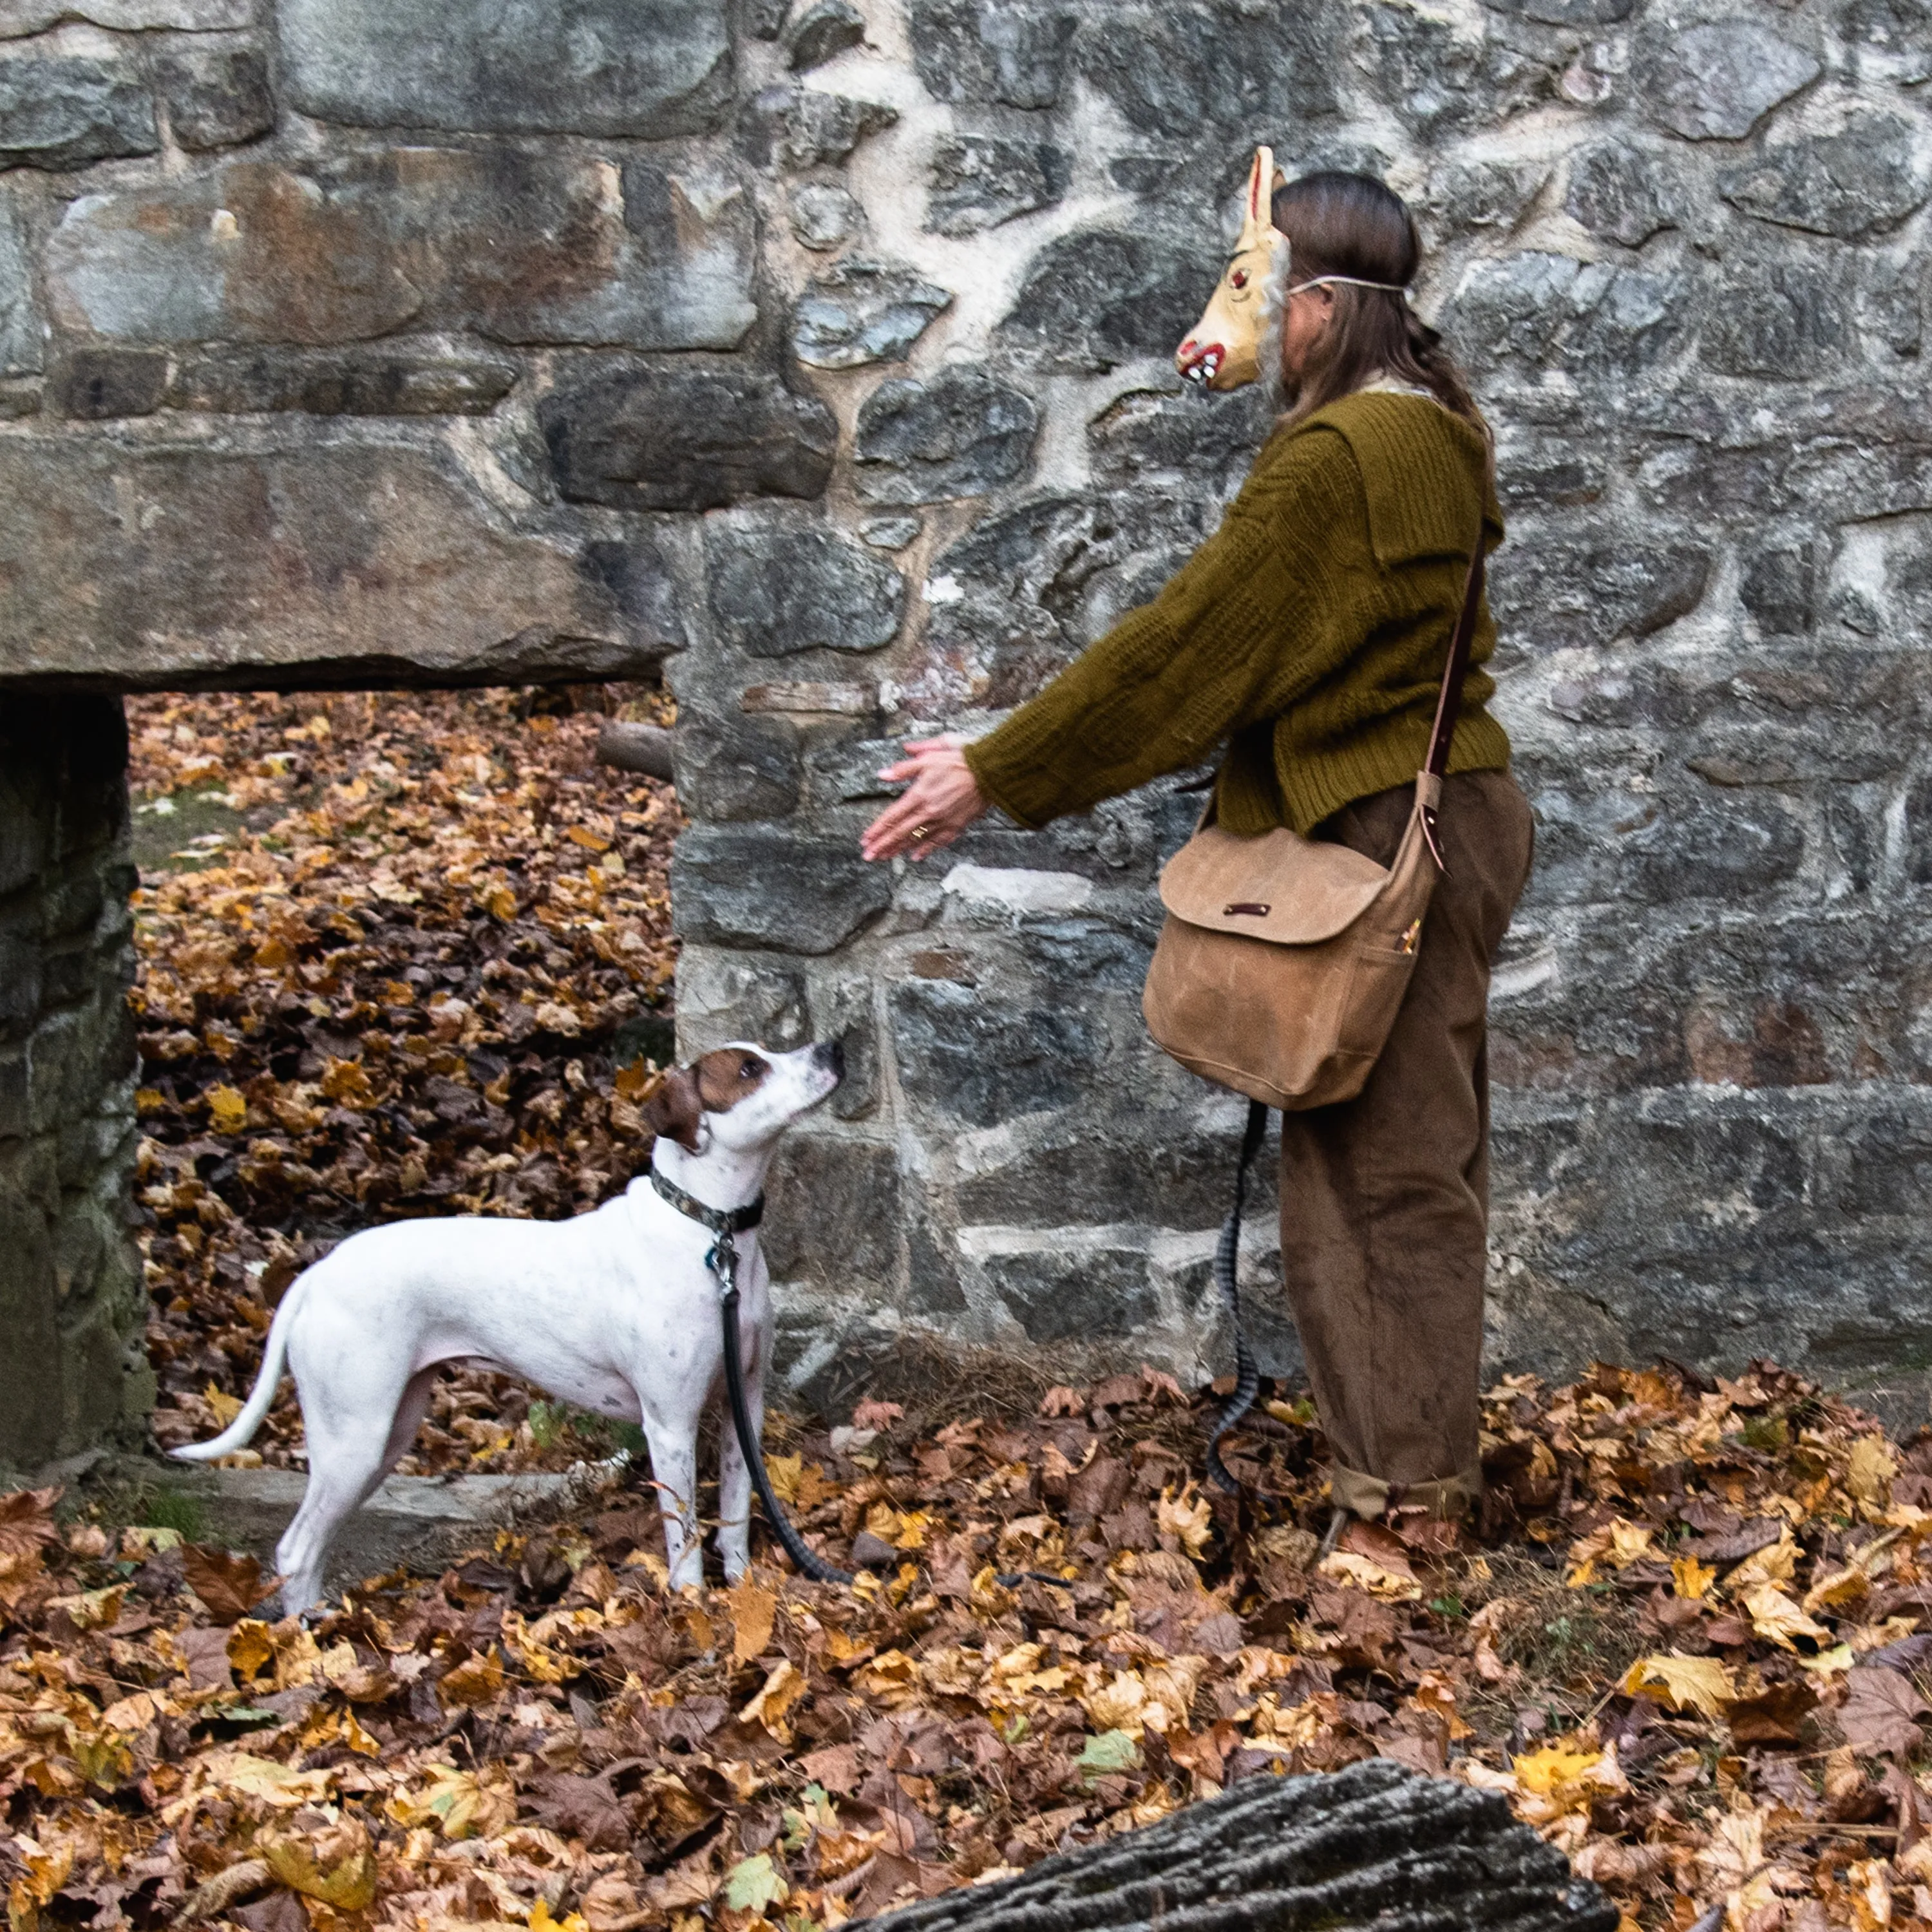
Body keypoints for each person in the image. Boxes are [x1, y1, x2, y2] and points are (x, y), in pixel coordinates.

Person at [860, 170, 1535, 1533]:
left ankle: (1408, 1508)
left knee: (1379, 1180)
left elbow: (1190, 654)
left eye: (1263, 291)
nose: (1252, 323)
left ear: (1323, 306)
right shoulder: (1433, 429)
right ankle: (1406, 1474)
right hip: (1448, 817)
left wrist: (997, 771)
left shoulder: (1340, 456)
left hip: (1383, 839)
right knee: (1407, 1160)